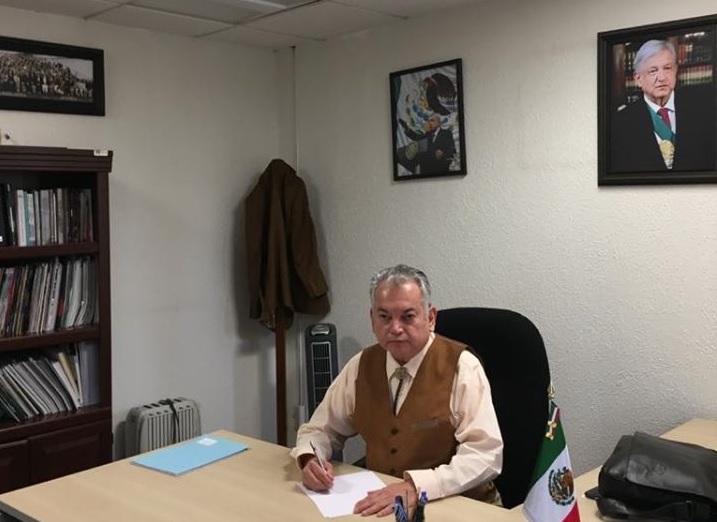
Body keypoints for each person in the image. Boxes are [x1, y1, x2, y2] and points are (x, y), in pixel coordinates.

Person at [291, 264, 503, 517]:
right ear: (372, 319)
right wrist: (310, 458)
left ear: (430, 318)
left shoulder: (462, 367)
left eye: (407, 316)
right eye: (384, 317)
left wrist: (417, 486)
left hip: (458, 506)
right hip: (384, 506)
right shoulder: (361, 365)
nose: (395, 328)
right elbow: (320, 429)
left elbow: (485, 455)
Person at [610, 39, 715, 173]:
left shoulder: (704, 109)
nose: (662, 77)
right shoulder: (622, 122)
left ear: (675, 70)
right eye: (653, 71)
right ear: (638, 78)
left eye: (667, 68)